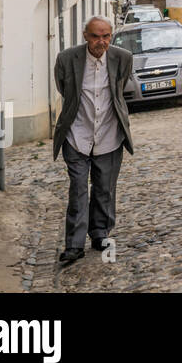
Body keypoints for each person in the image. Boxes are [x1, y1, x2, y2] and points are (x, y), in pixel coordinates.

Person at [51, 16, 135, 267]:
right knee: (78, 189)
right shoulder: (67, 59)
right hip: (77, 134)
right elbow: (64, 89)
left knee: (105, 188)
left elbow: (120, 89)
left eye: (106, 36)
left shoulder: (122, 58)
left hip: (109, 134)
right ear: (85, 35)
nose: (102, 41)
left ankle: (100, 233)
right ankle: (74, 245)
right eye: (96, 36)